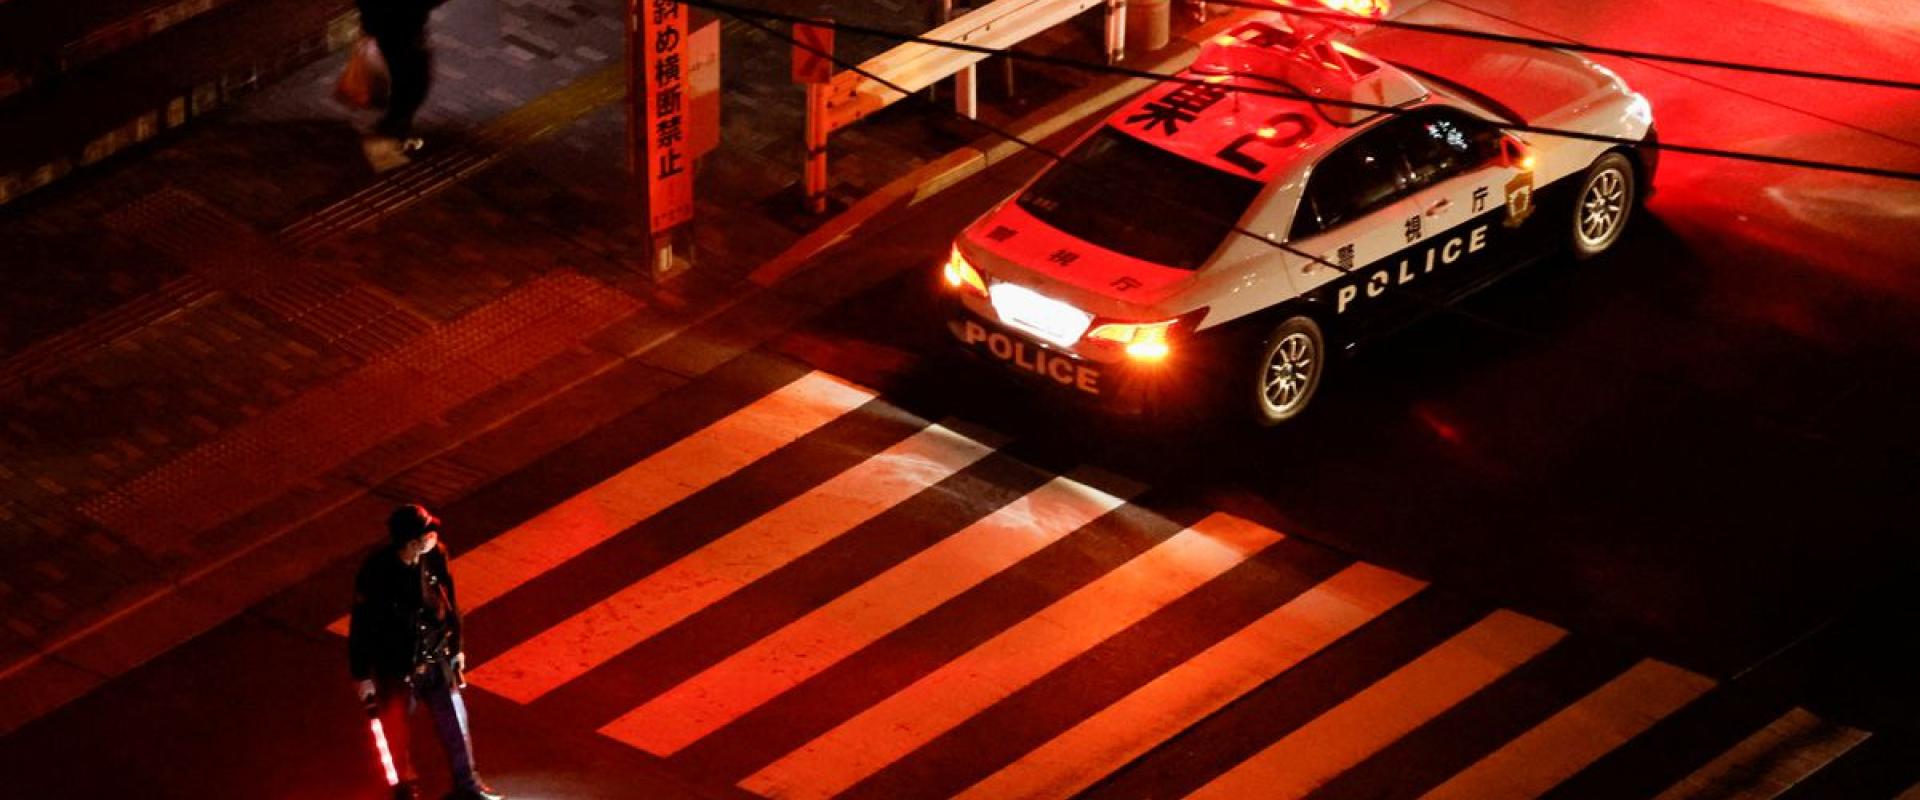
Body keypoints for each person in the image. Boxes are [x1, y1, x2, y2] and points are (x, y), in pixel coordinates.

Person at [349, 504, 506, 800]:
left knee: (456, 727)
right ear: (410, 542)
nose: (433, 537)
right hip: (397, 667)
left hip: (437, 659)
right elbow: (361, 626)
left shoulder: (435, 556)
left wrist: (457, 647)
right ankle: (407, 791)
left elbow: (450, 599)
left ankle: (467, 786)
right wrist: (361, 675)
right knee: (397, 734)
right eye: (426, 534)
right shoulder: (376, 572)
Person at [355, 0, 438, 170]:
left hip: (388, 28)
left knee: (405, 81)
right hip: (400, 31)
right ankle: (389, 139)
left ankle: (394, 130)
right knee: (411, 84)